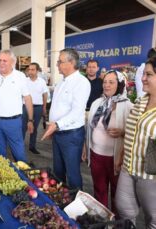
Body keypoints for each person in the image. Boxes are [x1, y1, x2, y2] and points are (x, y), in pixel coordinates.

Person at [83, 70, 133, 211]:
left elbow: (135, 133)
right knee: (99, 190)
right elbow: (89, 129)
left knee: (118, 194)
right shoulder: (97, 103)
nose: (107, 85)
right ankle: (102, 220)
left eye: (111, 82)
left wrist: (123, 132)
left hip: (117, 159)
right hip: (96, 155)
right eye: (105, 82)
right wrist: (85, 147)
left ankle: (117, 222)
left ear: (120, 84)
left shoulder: (128, 106)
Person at [115, 57, 156, 228]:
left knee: (153, 218)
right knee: (124, 209)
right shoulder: (141, 101)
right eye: (143, 74)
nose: (143, 78)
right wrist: (121, 156)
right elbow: (131, 132)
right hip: (128, 168)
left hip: (150, 176)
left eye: (149, 74)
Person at [41, 48, 90, 189]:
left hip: (71, 135)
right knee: (58, 171)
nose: (57, 65)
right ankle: (61, 199)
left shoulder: (81, 82)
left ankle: (77, 206)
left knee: (72, 173)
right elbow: (57, 107)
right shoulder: (61, 82)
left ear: (72, 62)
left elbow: (77, 112)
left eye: (60, 62)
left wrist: (56, 125)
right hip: (58, 132)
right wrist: (54, 127)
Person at [0, 50, 34, 162]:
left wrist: (30, 119)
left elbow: (28, 98)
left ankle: (23, 175)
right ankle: (3, 175)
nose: (1, 63)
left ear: (12, 62)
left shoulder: (20, 77)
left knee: (18, 153)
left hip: (13, 122)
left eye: (5, 61)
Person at [22, 62, 48, 154]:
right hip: (25, 107)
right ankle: (20, 146)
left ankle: (32, 146)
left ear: (37, 71)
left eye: (33, 70)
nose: (30, 71)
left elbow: (45, 95)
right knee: (23, 127)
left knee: (34, 128)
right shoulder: (24, 81)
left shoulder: (42, 82)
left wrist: (44, 107)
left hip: (38, 108)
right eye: (29, 69)